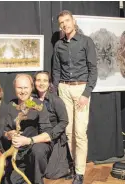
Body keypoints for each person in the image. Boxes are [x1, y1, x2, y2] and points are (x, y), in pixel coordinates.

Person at [52, 10, 97, 184]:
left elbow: (93, 69)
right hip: (64, 88)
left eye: (67, 21)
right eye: (62, 22)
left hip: (81, 89)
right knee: (68, 130)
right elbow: (56, 71)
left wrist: (87, 93)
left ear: (73, 21)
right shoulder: (58, 45)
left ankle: (79, 172)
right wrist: (56, 91)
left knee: (80, 133)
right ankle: (73, 166)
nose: (65, 25)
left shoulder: (86, 41)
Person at [3, 74, 64, 184]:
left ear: (31, 88)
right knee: (12, 181)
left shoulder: (37, 105)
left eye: (25, 87)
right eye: (19, 88)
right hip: (19, 154)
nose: (22, 91)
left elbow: (48, 134)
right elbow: (4, 131)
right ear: (14, 88)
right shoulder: (10, 105)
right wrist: (9, 134)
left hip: (36, 147)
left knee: (38, 151)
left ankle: (37, 180)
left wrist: (28, 140)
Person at [33, 71, 69, 179]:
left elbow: (64, 121)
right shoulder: (32, 99)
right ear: (34, 83)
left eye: (45, 80)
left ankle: (65, 164)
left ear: (49, 83)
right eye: (38, 80)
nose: (41, 83)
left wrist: (50, 135)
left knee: (51, 174)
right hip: (37, 137)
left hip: (54, 139)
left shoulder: (56, 100)